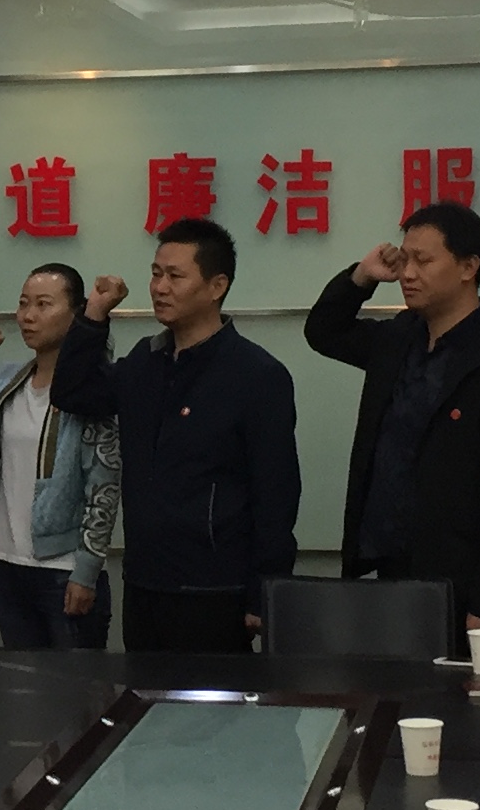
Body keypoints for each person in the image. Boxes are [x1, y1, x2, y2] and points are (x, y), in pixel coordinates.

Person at [304, 200, 480, 656]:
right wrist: (362, 276)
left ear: (468, 267)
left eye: (423, 260)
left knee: (452, 699)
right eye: (404, 259)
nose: (407, 273)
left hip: (459, 585)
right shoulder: (399, 339)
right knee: (383, 693)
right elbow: (323, 331)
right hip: (385, 568)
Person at [52, 218, 300, 653]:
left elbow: (276, 494)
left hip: (215, 590)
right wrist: (94, 315)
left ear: (217, 285)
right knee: (143, 693)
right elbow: (72, 392)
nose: (159, 288)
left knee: (212, 699)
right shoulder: (145, 362)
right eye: (155, 274)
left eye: (175, 276)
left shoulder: (257, 375)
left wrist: (264, 590)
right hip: (144, 582)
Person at [0, 264, 122, 649]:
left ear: (76, 314)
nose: (28, 316)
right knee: (22, 683)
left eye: (43, 304)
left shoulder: (91, 393)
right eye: (24, 303)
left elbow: (104, 488)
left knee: (75, 685)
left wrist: (86, 572)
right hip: (9, 569)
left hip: (63, 571)